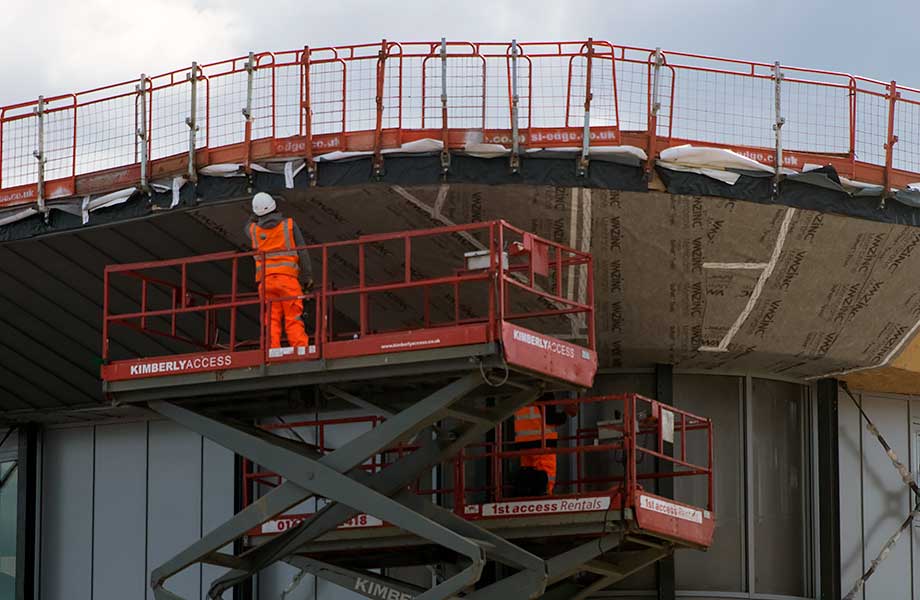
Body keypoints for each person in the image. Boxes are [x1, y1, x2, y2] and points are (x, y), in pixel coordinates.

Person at [246, 192, 313, 350]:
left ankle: (271, 351)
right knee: (293, 316)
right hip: (288, 281)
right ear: (274, 206)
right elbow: (302, 252)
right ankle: (300, 350)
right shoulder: (288, 225)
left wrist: (255, 214)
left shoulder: (253, 230)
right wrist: (307, 277)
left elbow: (249, 223)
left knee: (271, 318)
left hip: (266, 282)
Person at [512, 398, 569, 496]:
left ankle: (526, 497)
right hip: (542, 442)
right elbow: (550, 418)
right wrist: (566, 413)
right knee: (547, 473)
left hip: (524, 442)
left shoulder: (522, 394)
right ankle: (546, 496)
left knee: (528, 473)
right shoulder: (545, 393)